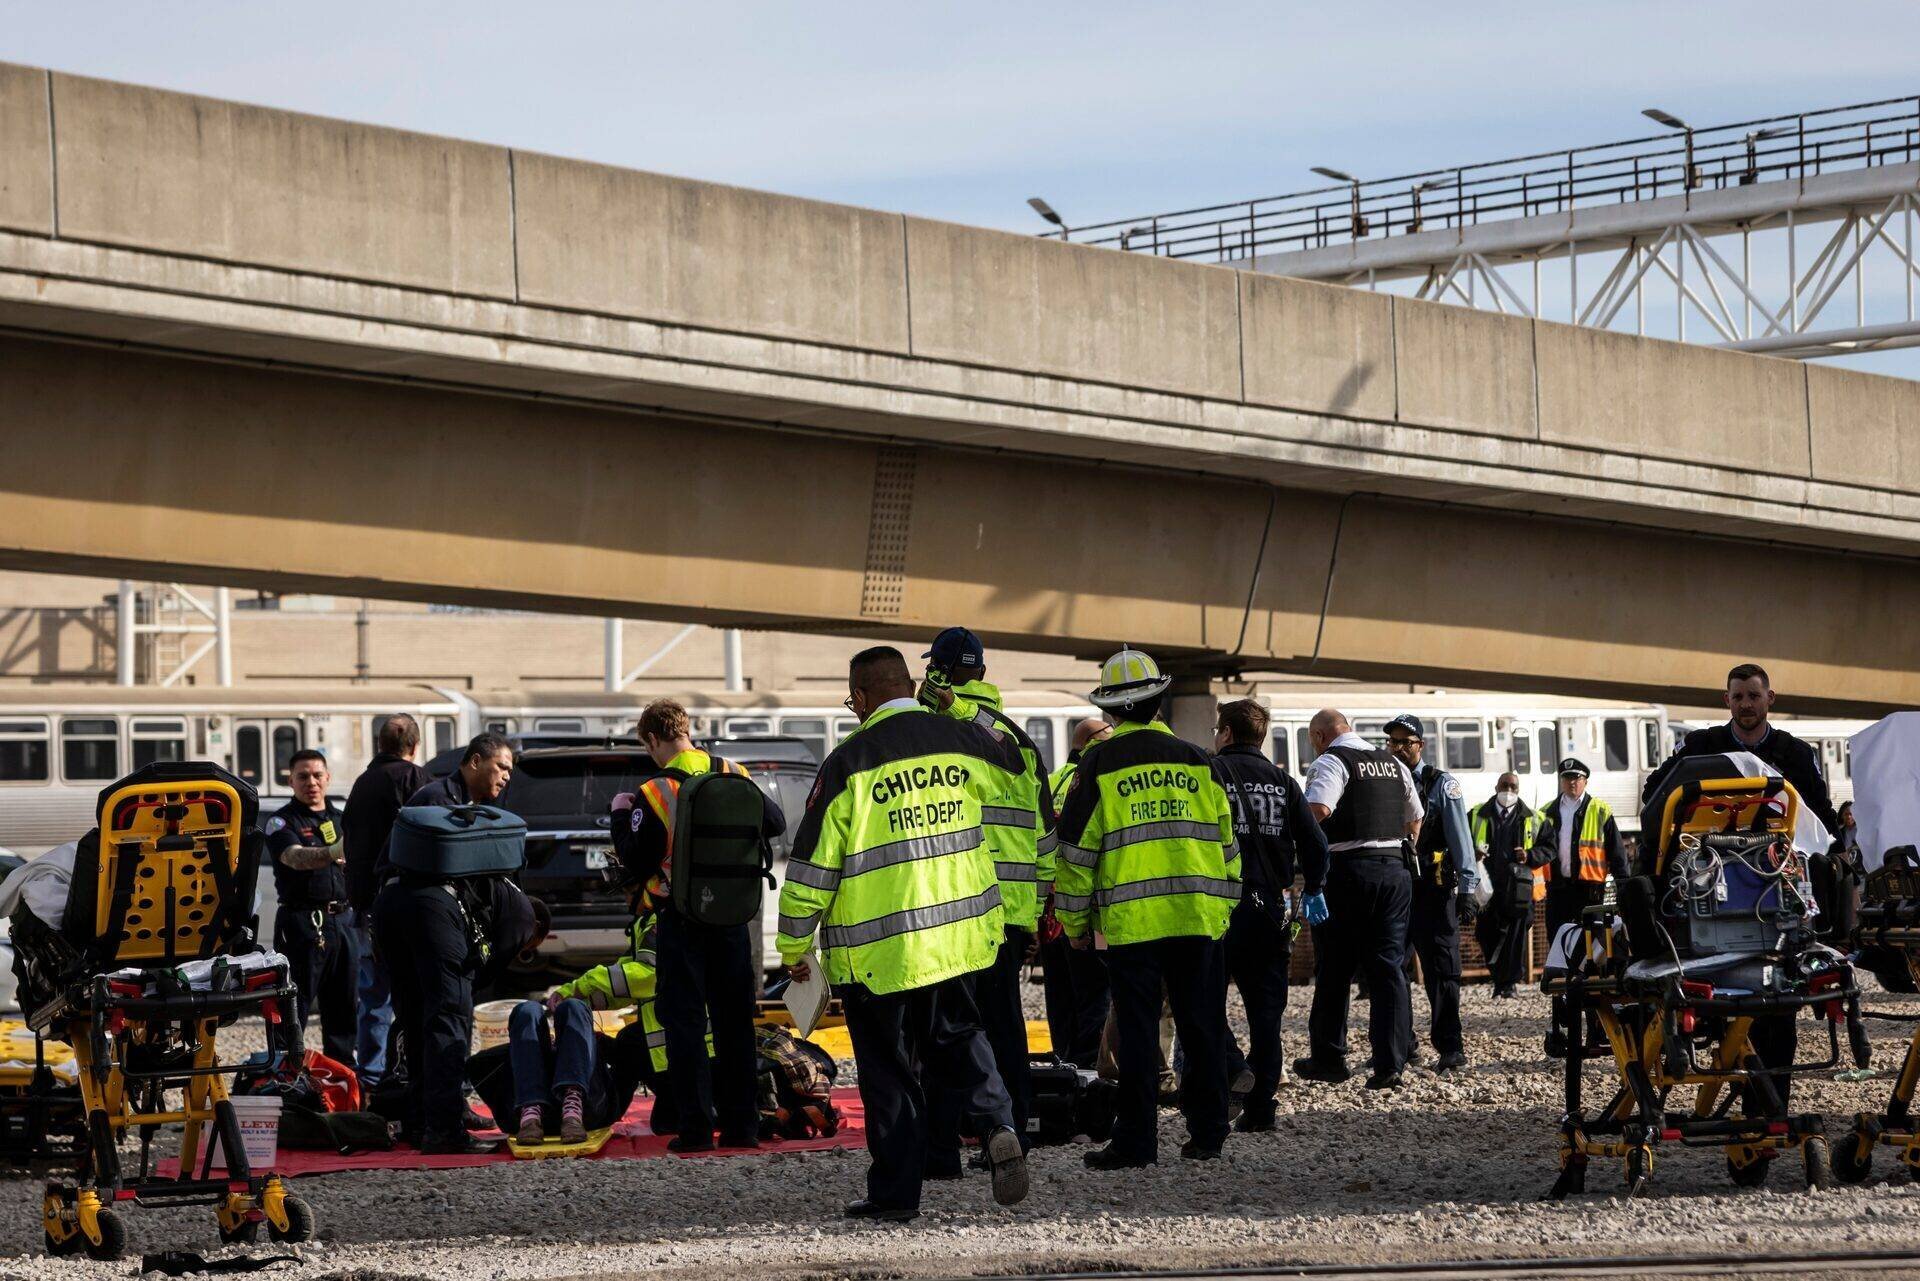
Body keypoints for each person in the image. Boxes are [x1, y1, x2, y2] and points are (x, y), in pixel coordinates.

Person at [776, 646, 1030, 1221]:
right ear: (911, 684)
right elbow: (1015, 762)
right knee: (960, 1035)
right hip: (957, 936)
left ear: (861, 697)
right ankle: (997, 1122)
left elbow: (812, 870)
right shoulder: (960, 740)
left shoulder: (849, 761)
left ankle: (896, 1196)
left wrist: (794, 945)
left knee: (889, 1071)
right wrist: (963, 711)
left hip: (879, 952)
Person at [1054, 648, 1241, 1168]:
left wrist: (1073, 922)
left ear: (1111, 710)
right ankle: (1208, 1133)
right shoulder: (1200, 761)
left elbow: (1074, 855)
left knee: (1137, 1033)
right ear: (1159, 701)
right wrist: (1223, 909)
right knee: (1202, 1025)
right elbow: (1228, 845)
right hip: (1199, 919)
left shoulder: (1097, 764)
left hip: (1133, 923)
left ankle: (1137, 1141)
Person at [1640, 662, 1838, 1112]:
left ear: (1771, 699)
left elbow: (1821, 821)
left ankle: (1767, 1117)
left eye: (1753, 696)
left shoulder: (1795, 753)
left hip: (1774, 891)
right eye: (1738, 697)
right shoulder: (1701, 747)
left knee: (1776, 1012)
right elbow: (1656, 799)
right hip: (1705, 888)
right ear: (1726, 701)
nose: (1746, 705)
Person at [610, 698, 785, 1153]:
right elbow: (776, 822)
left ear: (652, 739)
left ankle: (695, 1131)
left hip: (680, 919)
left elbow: (636, 857)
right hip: (732, 919)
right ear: (687, 730)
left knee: (685, 1025)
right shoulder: (735, 772)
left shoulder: (653, 792)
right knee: (735, 1024)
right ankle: (742, 1128)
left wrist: (618, 814)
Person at [917, 626, 1054, 1167]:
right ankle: (1013, 1129)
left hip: (957, 906)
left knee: (946, 1029)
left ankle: (943, 1144)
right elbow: (1046, 835)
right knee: (1003, 1026)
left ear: (941, 672)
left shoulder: (940, 731)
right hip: (1012, 913)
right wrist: (1041, 907)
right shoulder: (1019, 739)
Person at [373, 860, 547, 1153]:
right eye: (529, 947)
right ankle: (444, 1131)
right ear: (538, 927)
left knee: (413, 1018)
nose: (524, 951)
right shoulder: (525, 918)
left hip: (388, 902)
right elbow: (481, 974)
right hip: (433, 909)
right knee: (449, 1018)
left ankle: (419, 1122)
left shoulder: (490, 890)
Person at [1210, 698, 1328, 1130]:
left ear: (1225, 732)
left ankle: (1231, 1065)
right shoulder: (1283, 782)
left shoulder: (1210, 774)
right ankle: (1260, 1111)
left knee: (1203, 1002)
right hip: (1269, 907)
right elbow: (1315, 846)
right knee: (1265, 1014)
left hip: (1217, 906)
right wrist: (1313, 888)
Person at [1296, 709, 1422, 1091]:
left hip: (1349, 871)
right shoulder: (1393, 763)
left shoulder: (1333, 761)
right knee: (1388, 968)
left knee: (1335, 967)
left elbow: (1317, 809)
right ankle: (1391, 1064)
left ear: (1319, 736)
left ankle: (1329, 1058)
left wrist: (1297, 847)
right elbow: (1415, 817)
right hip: (1395, 871)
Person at [1382, 714, 1478, 1074]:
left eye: (1407, 742)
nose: (1399, 748)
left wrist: (1468, 889)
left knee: (1443, 972)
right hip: (1397, 891)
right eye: (1393, 742)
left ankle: (1451, 1048)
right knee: (1392, 970)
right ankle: (1403, 1048)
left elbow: (1461, 840)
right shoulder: (1385, 783)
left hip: (1435, 893)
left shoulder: (1442, 785)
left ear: (1420, 745)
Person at [343, 714, 428, 1094]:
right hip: (405, 905)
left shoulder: (361, 784)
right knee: (416, 993)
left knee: (373, 997)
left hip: (365, 907)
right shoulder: (415, 780)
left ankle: (371, 1079)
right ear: (414, 745)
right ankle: (411, 1073)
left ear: (380, 745)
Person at [1530, 758, 1629, 1057]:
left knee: (1593, 959)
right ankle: (1561, 1025)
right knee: (1559, 957)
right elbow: (1535, 848)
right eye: (1567, 777)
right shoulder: (1545, 812)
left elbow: (1617, 854)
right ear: (1561, 780)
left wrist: (1625, 891)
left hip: (1591, 894)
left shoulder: (1600, 810)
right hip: (1559, 893)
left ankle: (1597, 1027)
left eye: (1577, 777)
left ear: (1586, 781)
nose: (1572, 782)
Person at [265, 749, 358, 1064]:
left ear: (328, 778)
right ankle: (285, 1079)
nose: (311, 782)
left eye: (317, 775)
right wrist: (334, 852)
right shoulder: (281, 821)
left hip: (343, 922)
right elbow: (293, 857)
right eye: (302, 776)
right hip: (303, 924)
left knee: (344, 1010)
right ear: (290, 781)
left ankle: (343, 1084)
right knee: (294, 1008)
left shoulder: (342, 819)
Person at [1041, 717, 1112, 1069]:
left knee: (1059, 992)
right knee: (1094, 992)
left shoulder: (1051, 781)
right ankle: (1087, 1070)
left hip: (1051, 909)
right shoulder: (1095, 782)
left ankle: (1062, 1061)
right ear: (1089, 742)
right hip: (1086, 908)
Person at [1470, 773, 1539, 998]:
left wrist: (1530, 855)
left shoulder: (1533, 818)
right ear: (1496, 786)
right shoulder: (1477, 814)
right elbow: (1460, 840)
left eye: (1513, 786)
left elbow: (1550, 847)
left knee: (1515, 937)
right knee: (1485, 933)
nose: (1508, 790)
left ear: (1518, 790)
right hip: (1487, 888)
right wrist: (1473, 853)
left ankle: (1508, 985)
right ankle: (1497, 977)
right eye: (1504, 785)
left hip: (1519, 889)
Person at [405, 732, 515, 810]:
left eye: (509, 771)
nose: (507, 777)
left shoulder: (490, 806)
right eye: (502, 767)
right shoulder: (436, 800)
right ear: (475, 762)